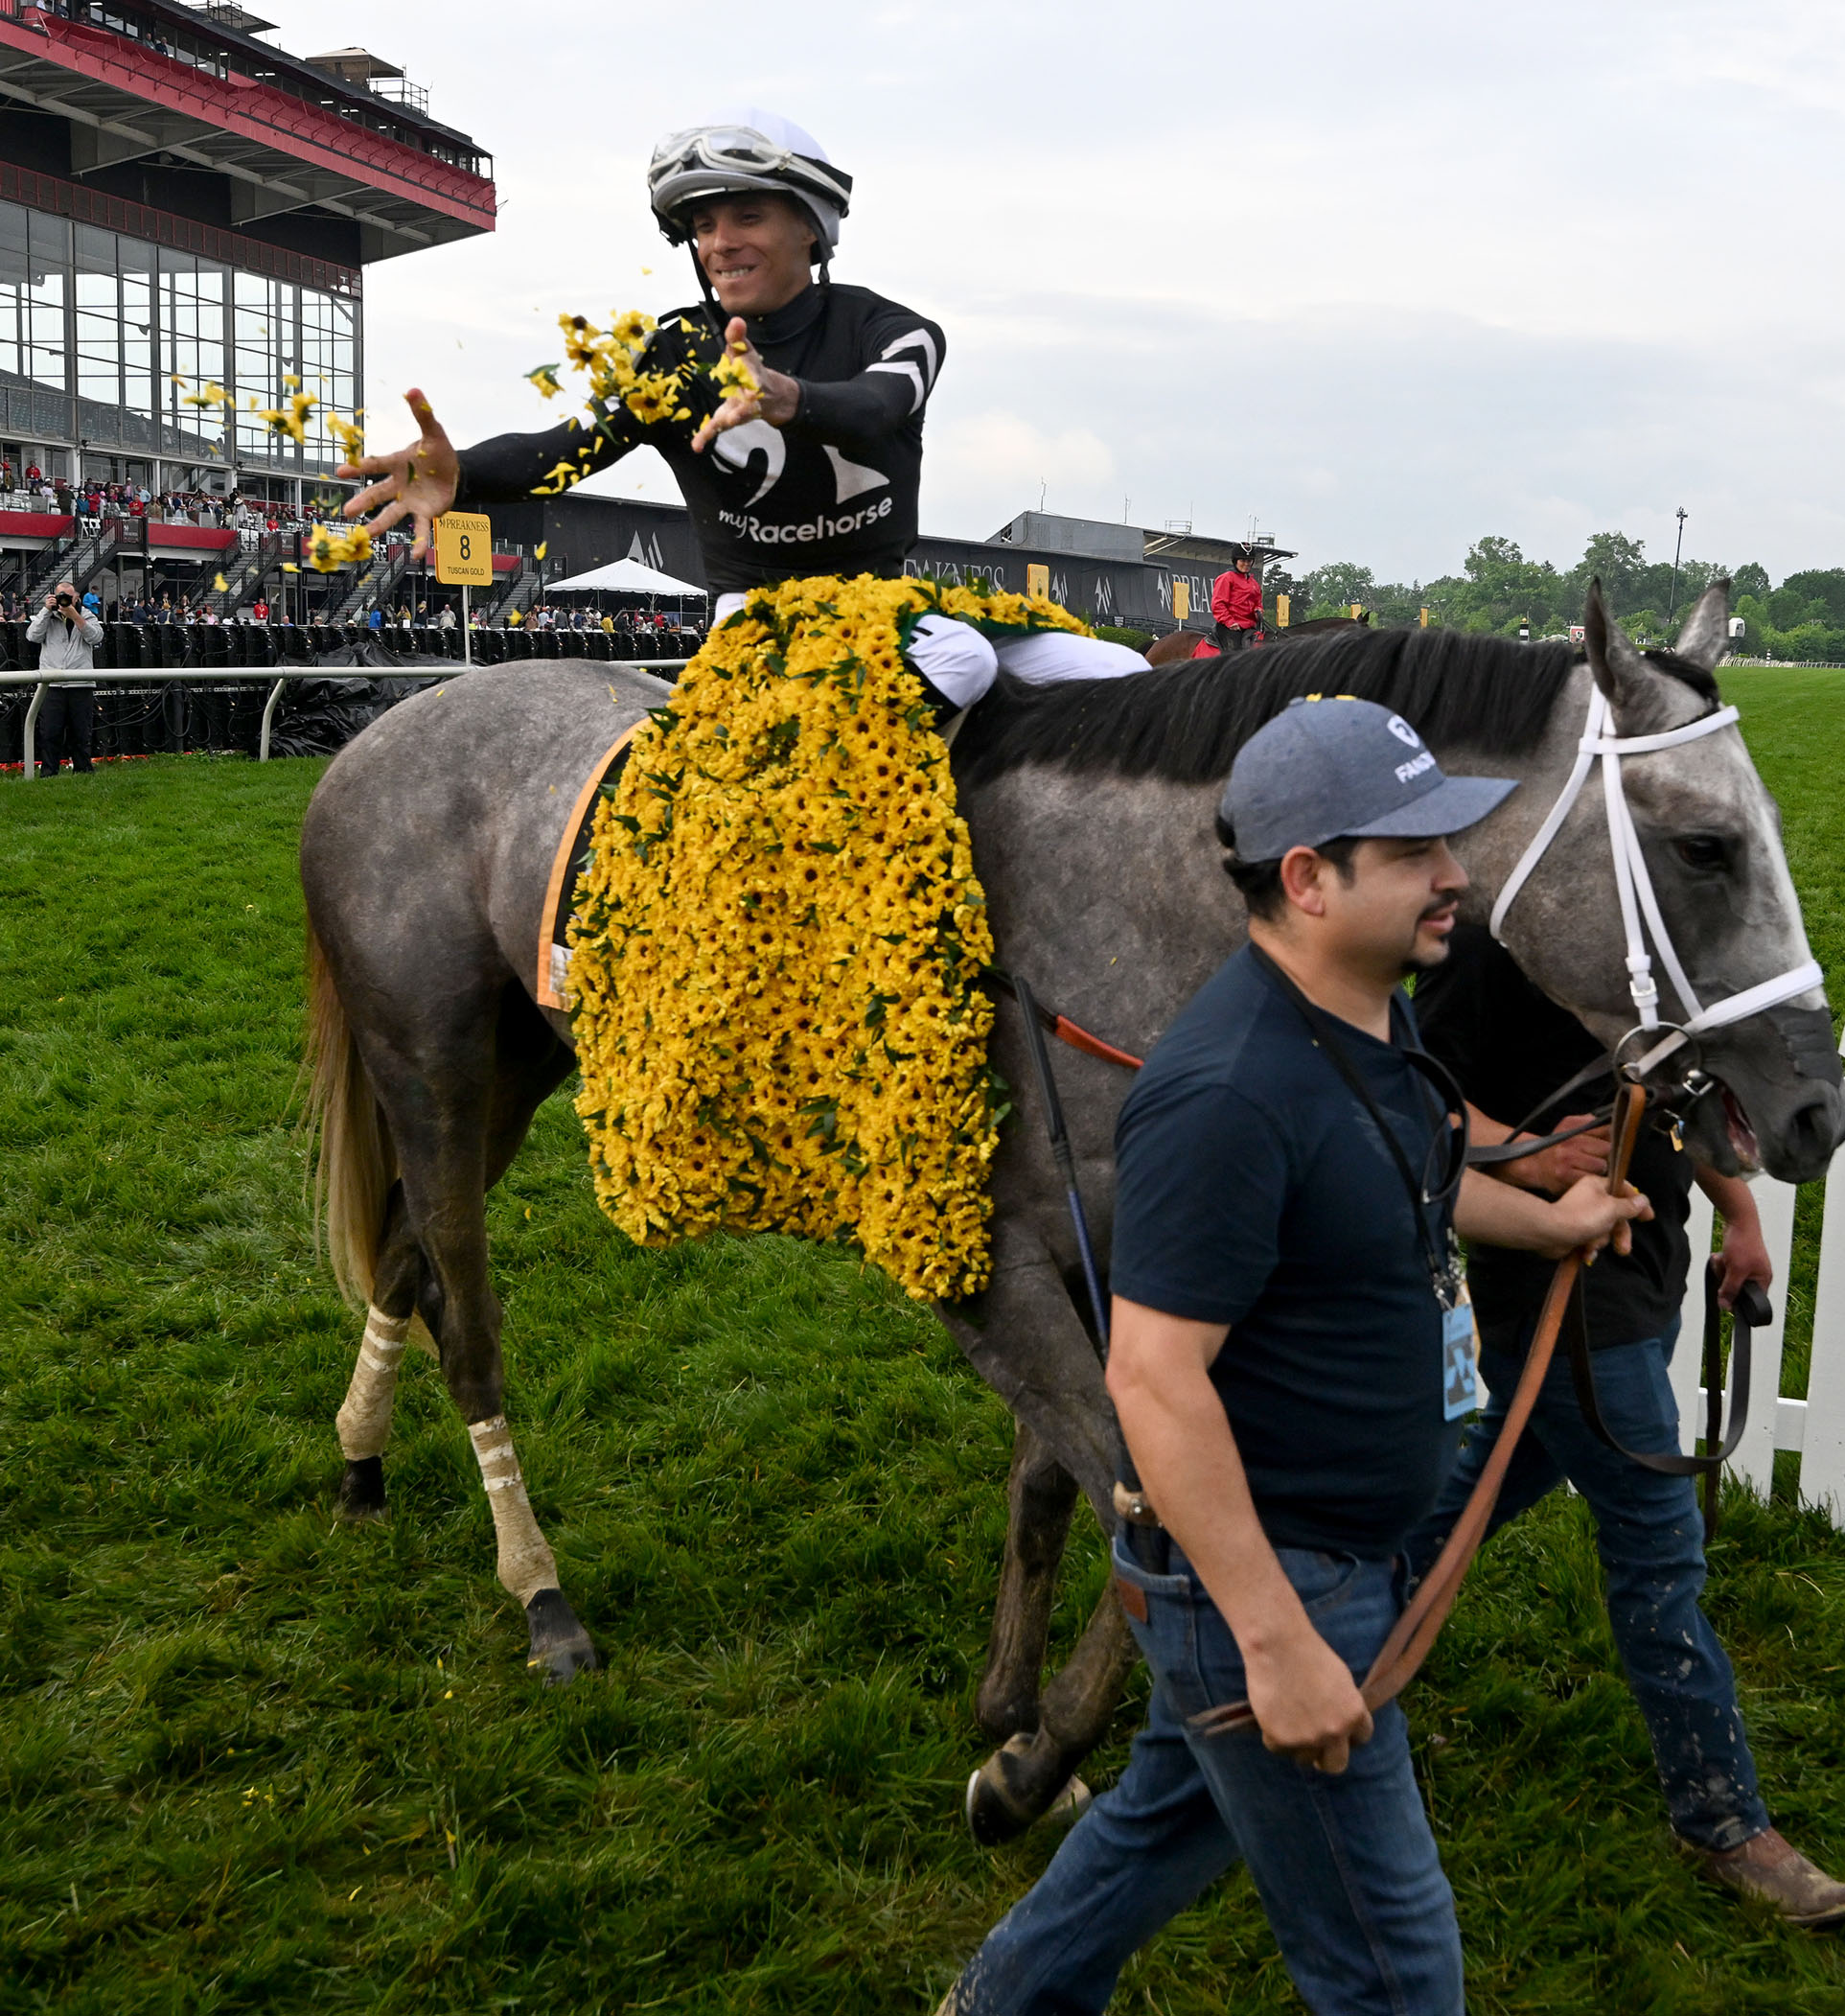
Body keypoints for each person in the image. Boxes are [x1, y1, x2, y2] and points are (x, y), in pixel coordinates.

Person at [945, 698, 1651, 2016]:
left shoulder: (1374, 1025)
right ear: (1309, 879)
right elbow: (1154, 1378)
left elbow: (1412, 1176)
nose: (1458, 874)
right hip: (1270, 1579)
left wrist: (1551, 1213)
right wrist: (1274, 1642)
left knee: (1155, 1827)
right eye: (1416, 852)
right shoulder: (1229, 1091)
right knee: (1398, 1971)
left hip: (1336, 1556)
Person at [335, 109, 1140, 692]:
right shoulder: (675, 354)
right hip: (754, 618)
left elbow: (873, 409)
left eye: (749, 215)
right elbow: (564, 449)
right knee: (958, 661)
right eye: (704, 226)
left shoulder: (894, 330)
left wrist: (791, 398)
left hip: (894, 603)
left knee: (1119, 667)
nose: (721, 242)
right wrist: (462, 473)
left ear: (813, 232)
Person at [1410, 920, 1845, 1925]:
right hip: (1561, 1289)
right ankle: (1724, 1823)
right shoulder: (1480, 946)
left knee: (1465, 1501)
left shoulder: (1630, 945)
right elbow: (1409, 1106)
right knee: (1661, 1552)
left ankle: (1334, 1637)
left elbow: (1669, 1096)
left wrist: (1736, 1207)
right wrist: (1530, 1161)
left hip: (1643, 1280)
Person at [26, 577, 102, 776]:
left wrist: (76, 617)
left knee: (81, 732)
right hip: (52, 684)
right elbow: (32, 637)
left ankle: (83, 771)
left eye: (68, 597)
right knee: (50, 732)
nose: (65, 601)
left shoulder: (86, 615)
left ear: (76, 597)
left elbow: (96, 637)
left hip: (81, 682)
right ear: (54, 597)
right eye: (61, 597)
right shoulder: (47, 616)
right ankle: (49, 773)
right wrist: (45, 611)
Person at [1210, 545, 1263, 657]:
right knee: (1235, 657)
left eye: (1249, 561)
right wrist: (1230, 622)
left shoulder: (1254, 583)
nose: (1246, 563)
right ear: (1235, 561)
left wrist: (1258, 610)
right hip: (1230, 627)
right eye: (1243, 560)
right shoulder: (1226, 578)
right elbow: (1218, 604)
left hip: (1249, 627)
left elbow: (1258, 602)